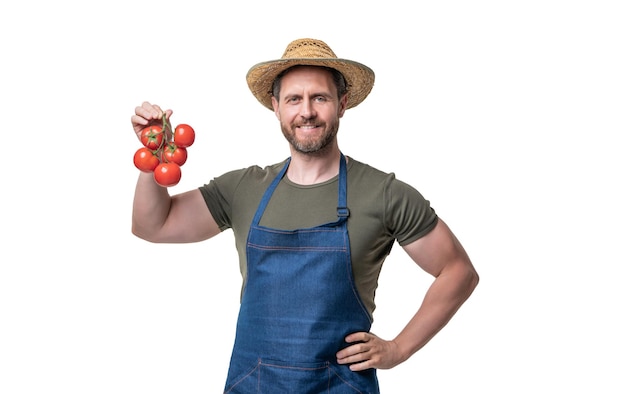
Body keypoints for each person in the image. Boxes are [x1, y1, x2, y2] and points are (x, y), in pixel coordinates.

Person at [131, 38, 479, 393]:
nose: (307, 111)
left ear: (342, 104)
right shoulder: (243, 189)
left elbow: (458, 271)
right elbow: (152, 225)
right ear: (276, 107)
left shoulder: (384, 193)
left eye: (320, 98)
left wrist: (398, 349)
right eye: (294, 99)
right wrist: (152, 157)